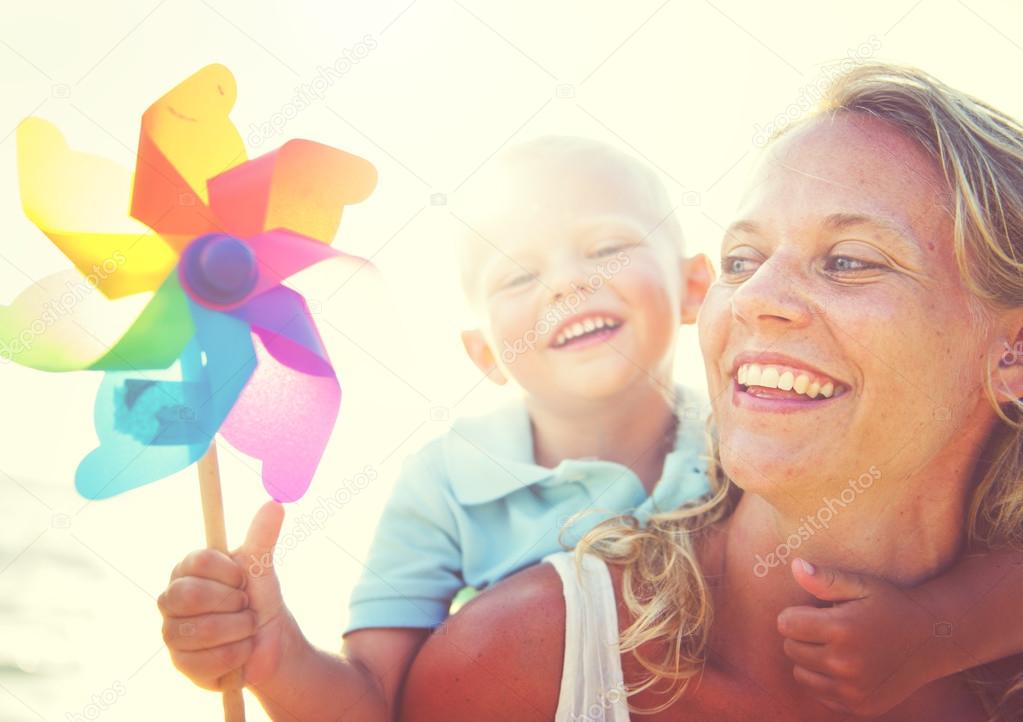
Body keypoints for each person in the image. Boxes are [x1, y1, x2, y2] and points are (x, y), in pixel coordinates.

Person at [400, 64, 1023, 721]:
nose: (753, 299)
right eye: (741, 261)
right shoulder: (521, 665)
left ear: (1010, 353)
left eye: (847, 260)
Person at [157, 136, 716, 720]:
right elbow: (375, 704)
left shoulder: (745, 447)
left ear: (695, 287)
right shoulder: (444, 482)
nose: (566, 283)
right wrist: (279, 659)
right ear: (485, 354)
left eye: (609, 248)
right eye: (519, 277)